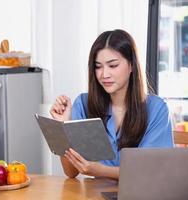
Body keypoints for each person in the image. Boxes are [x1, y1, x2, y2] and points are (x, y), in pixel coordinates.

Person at [50, 29, 174, 180]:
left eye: (113, 65)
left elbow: (150, 172)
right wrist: (63, 125)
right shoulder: (83, 103)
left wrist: (101, 171)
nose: (104, 74)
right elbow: (71, 172)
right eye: (98, 66)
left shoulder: (156, 109)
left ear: (131, 66)